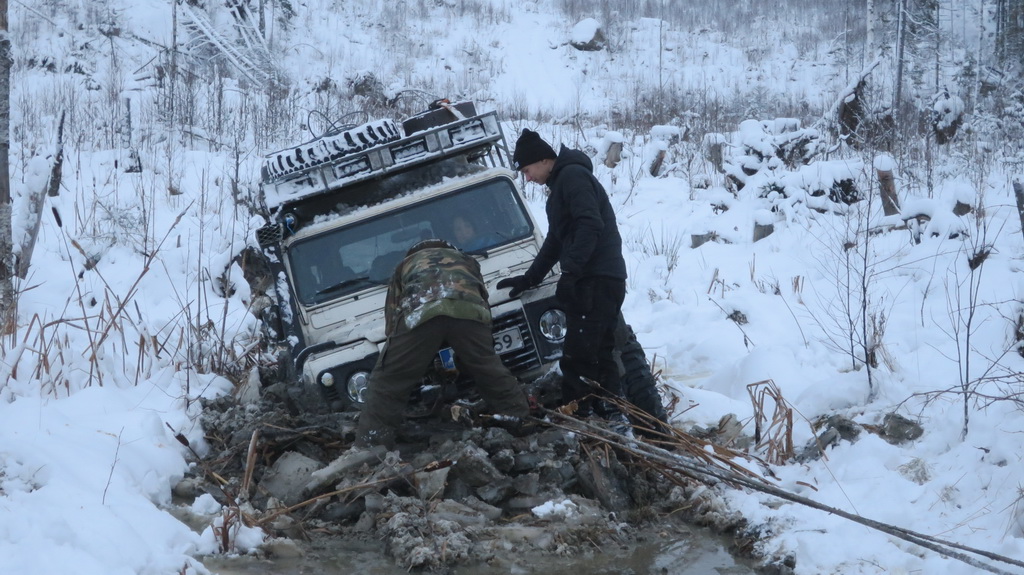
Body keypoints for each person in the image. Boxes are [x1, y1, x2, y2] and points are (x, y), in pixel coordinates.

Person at [497, 129, 630, 432]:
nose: (527, 178)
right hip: (601, 276)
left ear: (544, 160)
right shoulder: (562, 185)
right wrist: (530, 279)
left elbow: (589, 224)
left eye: (527, 170)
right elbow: (556, 240)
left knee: (578, 355)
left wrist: (571, 272)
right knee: (597, 351)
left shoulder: (572, 178)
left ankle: (579, 421)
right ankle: (612, 416)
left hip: (596, 278)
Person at [355, 239, 531, 448]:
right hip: (467, 308)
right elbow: (481, 301)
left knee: (388, 381)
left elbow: (392, 318)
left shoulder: (405, 265)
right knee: (488, 368)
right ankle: (519, 419)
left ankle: (370, 445)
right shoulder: (466, 261)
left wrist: (408, 355)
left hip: (421, 310)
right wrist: (477, 351)